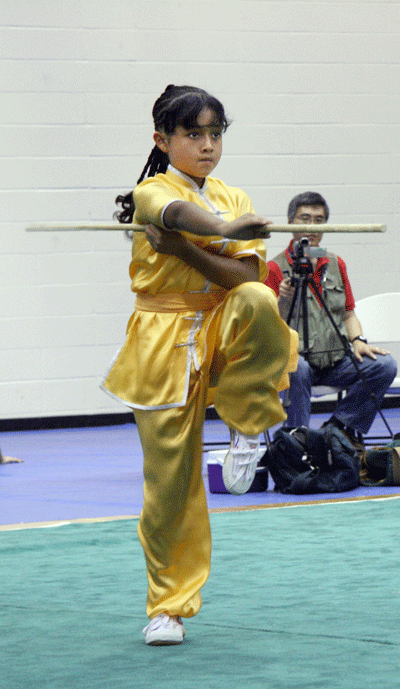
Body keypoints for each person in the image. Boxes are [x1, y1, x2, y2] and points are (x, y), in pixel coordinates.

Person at [101, 85, 298, 646]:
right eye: (194, 134)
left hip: (221, 325)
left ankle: (246, 422)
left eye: (215, 134)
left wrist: (186, 249)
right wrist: (220, 232)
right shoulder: (150, 192)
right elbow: (176, 213)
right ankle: (167, 607)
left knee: (257, 299)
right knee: (170, 485)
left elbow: (247, 277)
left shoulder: (234, 197)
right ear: (163, 140)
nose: (208, 145)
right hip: (161, 342)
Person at [265, 191, 397, 449]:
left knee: (384, 365)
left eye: (319, 220)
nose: (312, 227)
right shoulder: (274, 268)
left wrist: (358, 341)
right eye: (304, 219)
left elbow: (349, 314)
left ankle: (339, 429)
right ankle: (297, 441)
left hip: (334, 361)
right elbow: (269, 328)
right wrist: (284, 300)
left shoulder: (336, 263)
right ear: (290, 222)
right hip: (294, 364)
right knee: (298, 368)